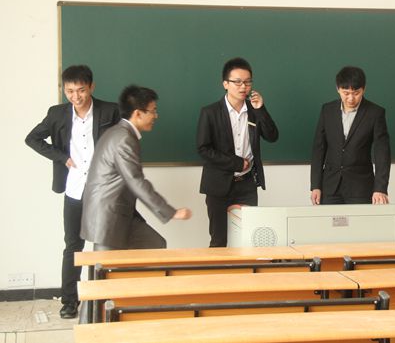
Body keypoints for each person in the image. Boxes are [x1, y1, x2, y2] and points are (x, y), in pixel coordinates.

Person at [25, 65, 120, 319]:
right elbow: (32, 138)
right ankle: (69, 301)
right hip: (75, 189)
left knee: (108, 245)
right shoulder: (57, 114)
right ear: (64, 90)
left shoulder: (110, 111)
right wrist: (62, 157)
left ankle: (109, 298)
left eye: (81, 90)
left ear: (91, 87)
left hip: (105, 191)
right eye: (70, 91)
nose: (76, 96)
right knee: (73, 247)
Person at [80, 85, 192, 251]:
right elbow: (136, 181)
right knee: (105, 265)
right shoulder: (124, 138)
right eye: (153, 111)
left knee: (155, 244)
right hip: (108, 215)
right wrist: (170, 212)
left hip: (118, 212)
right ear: (138, 113)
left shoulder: (118, 132)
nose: (156, 116)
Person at [197, 57, 279, 247]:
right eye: (238, 82)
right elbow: (203, 149)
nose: (243, 87)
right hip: (218, 185)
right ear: (225, 84)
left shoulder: (254, 110)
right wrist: (236, 163)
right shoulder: (210, 112)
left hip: (247, 184)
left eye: (248, 82)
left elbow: (272, 136)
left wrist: (261, 109)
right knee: (219, 240)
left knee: (248, 240)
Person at [310, 66, 391, 205]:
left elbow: (382, 152)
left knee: (361, 221)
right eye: (346, 93)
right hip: (330, 187)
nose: (351, 98)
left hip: (361, 187)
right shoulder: (327, 111)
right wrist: (315, 185)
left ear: (364, 89)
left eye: (356, 93)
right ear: (338, 89)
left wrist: (380, 188)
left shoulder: (375, 113)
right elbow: (319, 149)